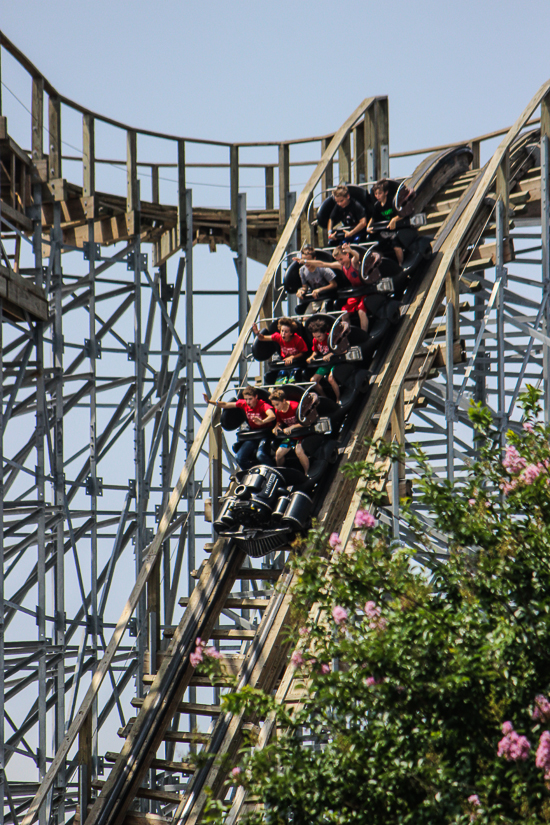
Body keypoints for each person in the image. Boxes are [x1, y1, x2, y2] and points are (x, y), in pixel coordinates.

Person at [203, 386, 275, 470]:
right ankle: (251, 473)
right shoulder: (244, 404)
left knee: (260, 455)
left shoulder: (263, 405)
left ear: (256, 397)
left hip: (265, 434)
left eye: (250, 399)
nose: (248, 402)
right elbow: (226, 404)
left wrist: (262, 421)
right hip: (254, 435)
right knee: (239, 457)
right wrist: (209, 401)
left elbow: (272, 415)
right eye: (246, 399)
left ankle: (275, 471)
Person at [320, 243, 369, 332]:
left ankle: (363, 333)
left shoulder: (353, 262)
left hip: (366, 291)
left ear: (347, 255)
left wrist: (350, 250)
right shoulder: (341, 266)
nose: (340, 262)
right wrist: (305, 262)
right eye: (338, 260)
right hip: (356, 293)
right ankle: (346, 333)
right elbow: (323, 264)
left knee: (361, 311)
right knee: (344, 312)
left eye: (341, 259)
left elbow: (357, 256)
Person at [252, 317, 309, 384]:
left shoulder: (298, 339)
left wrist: (292, 357)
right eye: (282, 331)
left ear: (291, 333)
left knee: (293, 378)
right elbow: (262, 338)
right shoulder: (278, 337)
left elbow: (303, 353)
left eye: (286, 332)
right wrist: (257, 333)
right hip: (284, 364)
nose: (283, 334)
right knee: (280, 379)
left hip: (296, 363)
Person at [269, 388, 310, 474]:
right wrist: (276, 427)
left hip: (302, 434)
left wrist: (292, 427)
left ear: (284, 401)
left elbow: (307, 422)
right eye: (274, 405)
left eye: (277, 404)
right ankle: (281, 473)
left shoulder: (295, 407)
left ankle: (307, 472)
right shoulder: (278, 410)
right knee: (278, 454)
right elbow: (279, 421)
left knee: (299, 451)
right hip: (291, 436)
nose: (276, 407)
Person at [367, 179, 404, 266]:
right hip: (384, 230)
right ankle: (382, 264)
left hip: (395, 230)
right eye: (376, 194)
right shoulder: (377, 205)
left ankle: (401, 264)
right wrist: (368, 227)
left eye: (379, 194)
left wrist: (394, 220)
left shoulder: (392, 202)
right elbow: (373, 218)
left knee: (396, 245)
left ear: (386, 193)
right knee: (378, 245)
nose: (377, 196)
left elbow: (402, 214)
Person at [293, 244, 337, 314]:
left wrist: (319, 290)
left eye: (308, 260)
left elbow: (334, 284)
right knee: (305, 317)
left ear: (314, 259)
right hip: (315, 297)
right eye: (304, 260)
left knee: (323, 313)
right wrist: (301, 291)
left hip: (326, 296)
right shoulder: (302, 270)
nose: (306, 263)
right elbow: (305, 286)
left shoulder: (323, 269)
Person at [306, 319, 340, 403]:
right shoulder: (315, 341)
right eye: (315, 337)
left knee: (331, 379)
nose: (317, 339)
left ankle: (338, 398)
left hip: (334, 362)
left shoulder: (330, 338)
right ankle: (325, 398)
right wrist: (311, 357)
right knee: (313, 380)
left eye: (319, 336)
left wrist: (331, 354)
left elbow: (339, 349)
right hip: (325, 364)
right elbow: (315, 351)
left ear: (324, 332)